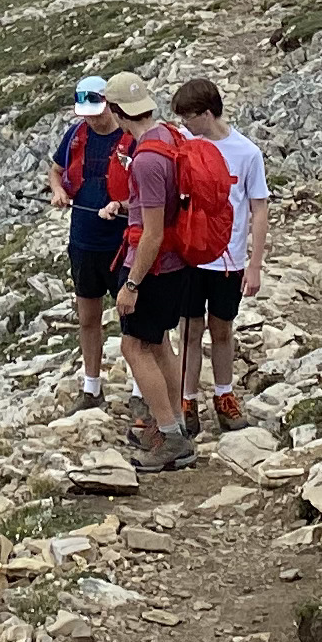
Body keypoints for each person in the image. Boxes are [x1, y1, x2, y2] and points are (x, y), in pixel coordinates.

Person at [99, 71, 234, 469]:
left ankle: (170, 436)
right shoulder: (172, 137)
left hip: (152, 268)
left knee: (134, 346)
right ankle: (175, 425)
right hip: (179, 263)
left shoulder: (145, 160)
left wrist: (132, 284)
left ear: (119, 112)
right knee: (159, 343)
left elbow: (153, 233)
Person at [168, 76, 271, 431]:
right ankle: (187, 399)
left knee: (222, 329)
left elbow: (259, 208)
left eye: (189, 117)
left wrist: (254, 264)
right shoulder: (185, 146)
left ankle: (225, 395)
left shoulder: (247, 153)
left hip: (228, 258)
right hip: (190, 255)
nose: (185, 125)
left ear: (207, 113)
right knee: (189, 329)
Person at [43, 77, 128, 405]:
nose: (91, 118)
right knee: (88, 318)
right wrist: (59, 190)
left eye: (96, 110)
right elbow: (56, 169)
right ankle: (91, 386)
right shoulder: (77, 135)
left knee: (133, 321)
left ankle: (140, 389)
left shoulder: (127, 135)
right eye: (86, 112)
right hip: (83, 239)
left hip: (121, 241)